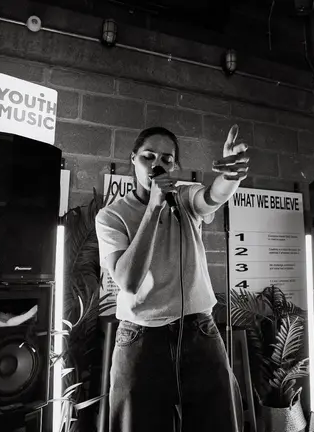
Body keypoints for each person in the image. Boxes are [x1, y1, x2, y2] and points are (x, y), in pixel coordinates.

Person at [95, 125, 250, 432]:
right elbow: (128, 281)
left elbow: (211, 195)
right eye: (148, 156)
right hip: (141, 336)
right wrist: (154, 206)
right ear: (133, 159)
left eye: (167, 159)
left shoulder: (185, 199)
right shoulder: (112, 216)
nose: (157, 164)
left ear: (175, 166)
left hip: (199, 330)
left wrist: (232, 176)